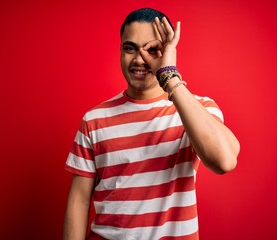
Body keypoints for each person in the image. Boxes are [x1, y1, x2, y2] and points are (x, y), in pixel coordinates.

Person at [63, 7, 240, 240]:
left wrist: (169, 75)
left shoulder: (197, 109)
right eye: (130, 48)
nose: (139, 59)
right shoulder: (94, 119)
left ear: (167, 51)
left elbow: (224, 161)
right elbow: (79, 200)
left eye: (152, 49)